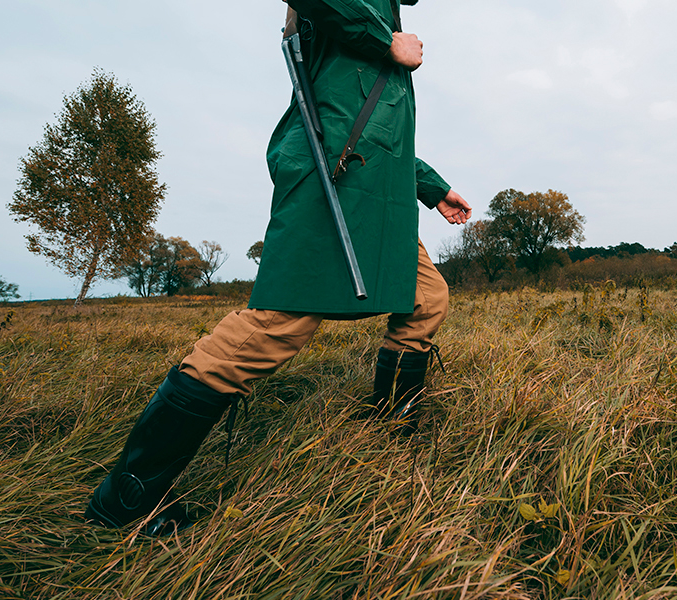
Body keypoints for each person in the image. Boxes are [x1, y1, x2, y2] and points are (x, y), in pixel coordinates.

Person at [83, 0, 472, 536]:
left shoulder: (379, 13)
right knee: (277, 324)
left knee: (426, 298)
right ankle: (128, 497)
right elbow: (339, 122)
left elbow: (379, 128)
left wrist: (433, 188)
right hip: (333, 183)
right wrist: (385, 43)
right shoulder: (360, 18)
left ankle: (388, 427)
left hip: (378, 195)